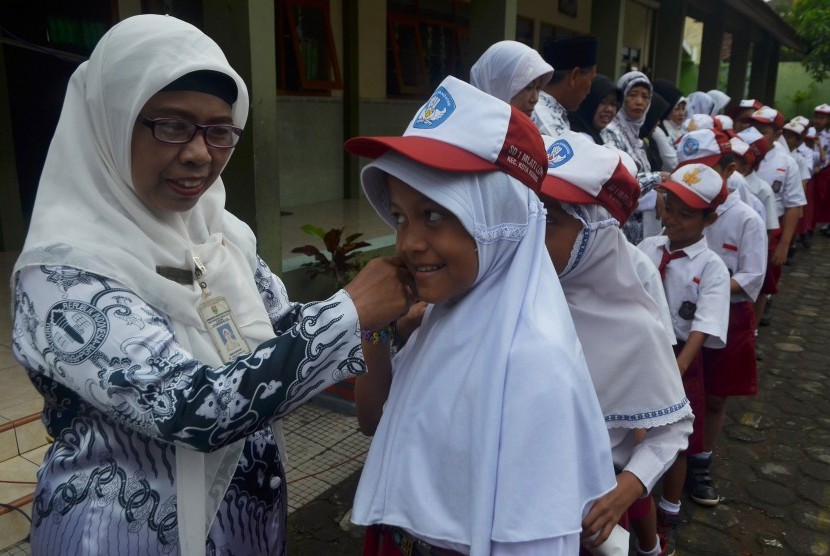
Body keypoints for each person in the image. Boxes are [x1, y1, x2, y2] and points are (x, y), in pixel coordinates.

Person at [10, 14, 414, 555]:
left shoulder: (220, 235)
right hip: (122, 533)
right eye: (172, 125)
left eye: (219, 130)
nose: (200, 153)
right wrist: (349, 313)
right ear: (109, 121)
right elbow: (190, 408)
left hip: (238, 524)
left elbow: (279, 330)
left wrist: (381, 321)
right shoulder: (62, 272)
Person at [348, 76, 617, 555]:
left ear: (500, 219)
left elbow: (535, 537)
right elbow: (373, 422)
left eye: (434, 214)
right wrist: (377, 332)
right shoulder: (444, 312)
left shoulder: (533, 363)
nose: (408, 242)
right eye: (400, 215)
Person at [538, 131, 692, 556]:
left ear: (596, 232)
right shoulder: (516, 294)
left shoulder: (634, 326)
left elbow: (673, 423)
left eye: (549, 220)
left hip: (589, 510)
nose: (530, 233)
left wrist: (629, 486)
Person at [637, 164, 730, 556]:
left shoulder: (712, 267)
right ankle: (633, 499)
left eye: (685, 214)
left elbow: (704, 326)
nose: (672, 219)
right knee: (636, 429)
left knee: (675, 440)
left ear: (710, 218)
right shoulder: (647, 249)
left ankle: (667, 513)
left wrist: (677, 369)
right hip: (641, 352)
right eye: (668, 207)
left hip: (679, 359)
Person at [750, 106, 807, 326]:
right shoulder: (742, 154)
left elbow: (794, 206)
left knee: (763, 283)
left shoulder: (786, 162)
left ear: (778, 134)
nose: (756, 135)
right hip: (741, 228)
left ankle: (752, 333)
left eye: (763, 131)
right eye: (753, 128)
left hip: (769, 229)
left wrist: (784, 244)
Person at [603, 71, 666, 244]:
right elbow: (616, 179)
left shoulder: (637, 139)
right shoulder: (610, 133)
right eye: (632, 95)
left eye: (645, 96)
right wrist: (655, 184)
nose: (639, 102)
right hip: (621, 229)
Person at [532, 35, 599, 136]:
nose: (589, 91)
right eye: (591, 80)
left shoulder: (549, 110)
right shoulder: (544, 119)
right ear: (574, 76)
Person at [469, 40, 553, 117]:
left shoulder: (535, 128)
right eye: (528, 87)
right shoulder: (466, 128)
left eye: (538, 88)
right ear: (497, 85)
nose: (535, 99)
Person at [568, 74, 622, 146]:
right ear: (589, 103)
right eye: (603, 102)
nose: (609, 109)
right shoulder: (575, 138)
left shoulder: (607, 137)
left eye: (613, 104)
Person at [653, 79, 687, 143]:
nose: (681, 113)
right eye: (676, 109)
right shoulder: (658, 131)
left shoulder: (680, 130)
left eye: (683, 108)